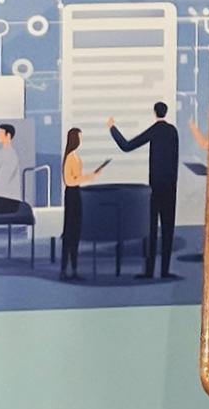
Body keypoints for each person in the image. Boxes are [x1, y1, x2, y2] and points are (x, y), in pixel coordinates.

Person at [108, 102, 180, 279]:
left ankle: (149, 271)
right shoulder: (173, 131)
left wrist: (112, 128)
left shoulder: (154, 130)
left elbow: (126, 146)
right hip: (170, 186)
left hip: (155, 186)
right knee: (168, 228)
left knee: (151, 229)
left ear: (155, 112)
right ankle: (165, 271)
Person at [59, 127, 104, 280]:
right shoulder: (71, 157)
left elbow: (75, 177)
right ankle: (66, 269)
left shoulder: (74, 156)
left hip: (75, 194)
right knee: (70, 232)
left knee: (75, 232)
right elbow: (70, 181)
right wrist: (90, 177)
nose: (81, 140)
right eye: (79, 137)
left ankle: (72, 268)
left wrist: (89, 176)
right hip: (72, 194)